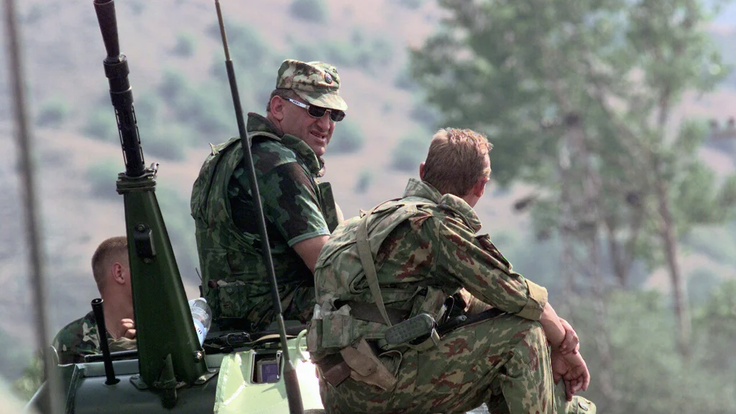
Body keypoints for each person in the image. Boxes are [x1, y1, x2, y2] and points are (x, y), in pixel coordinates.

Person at [307, 128, 596, 413]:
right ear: (481, 186)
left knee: (523, 326)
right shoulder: (433, 225)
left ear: (423, 171)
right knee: (523, 334)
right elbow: (516, 294)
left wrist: (552, 329)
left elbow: (475, 300)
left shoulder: (373, 221)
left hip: (342, 386)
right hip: (376, 386)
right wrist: (564, 343)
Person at [191, 59, 348, 332]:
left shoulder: (231, 155)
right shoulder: (279, 164)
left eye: (334, 115)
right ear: (278, 107)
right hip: (275, 317)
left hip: (227, 318)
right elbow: (329, 267)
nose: (325, 124)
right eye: (315, 110)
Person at [51, 236, 136, 364]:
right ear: (119, 273)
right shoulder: (74, 340)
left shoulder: (163, 330)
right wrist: (118, 355)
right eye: (143, 268)